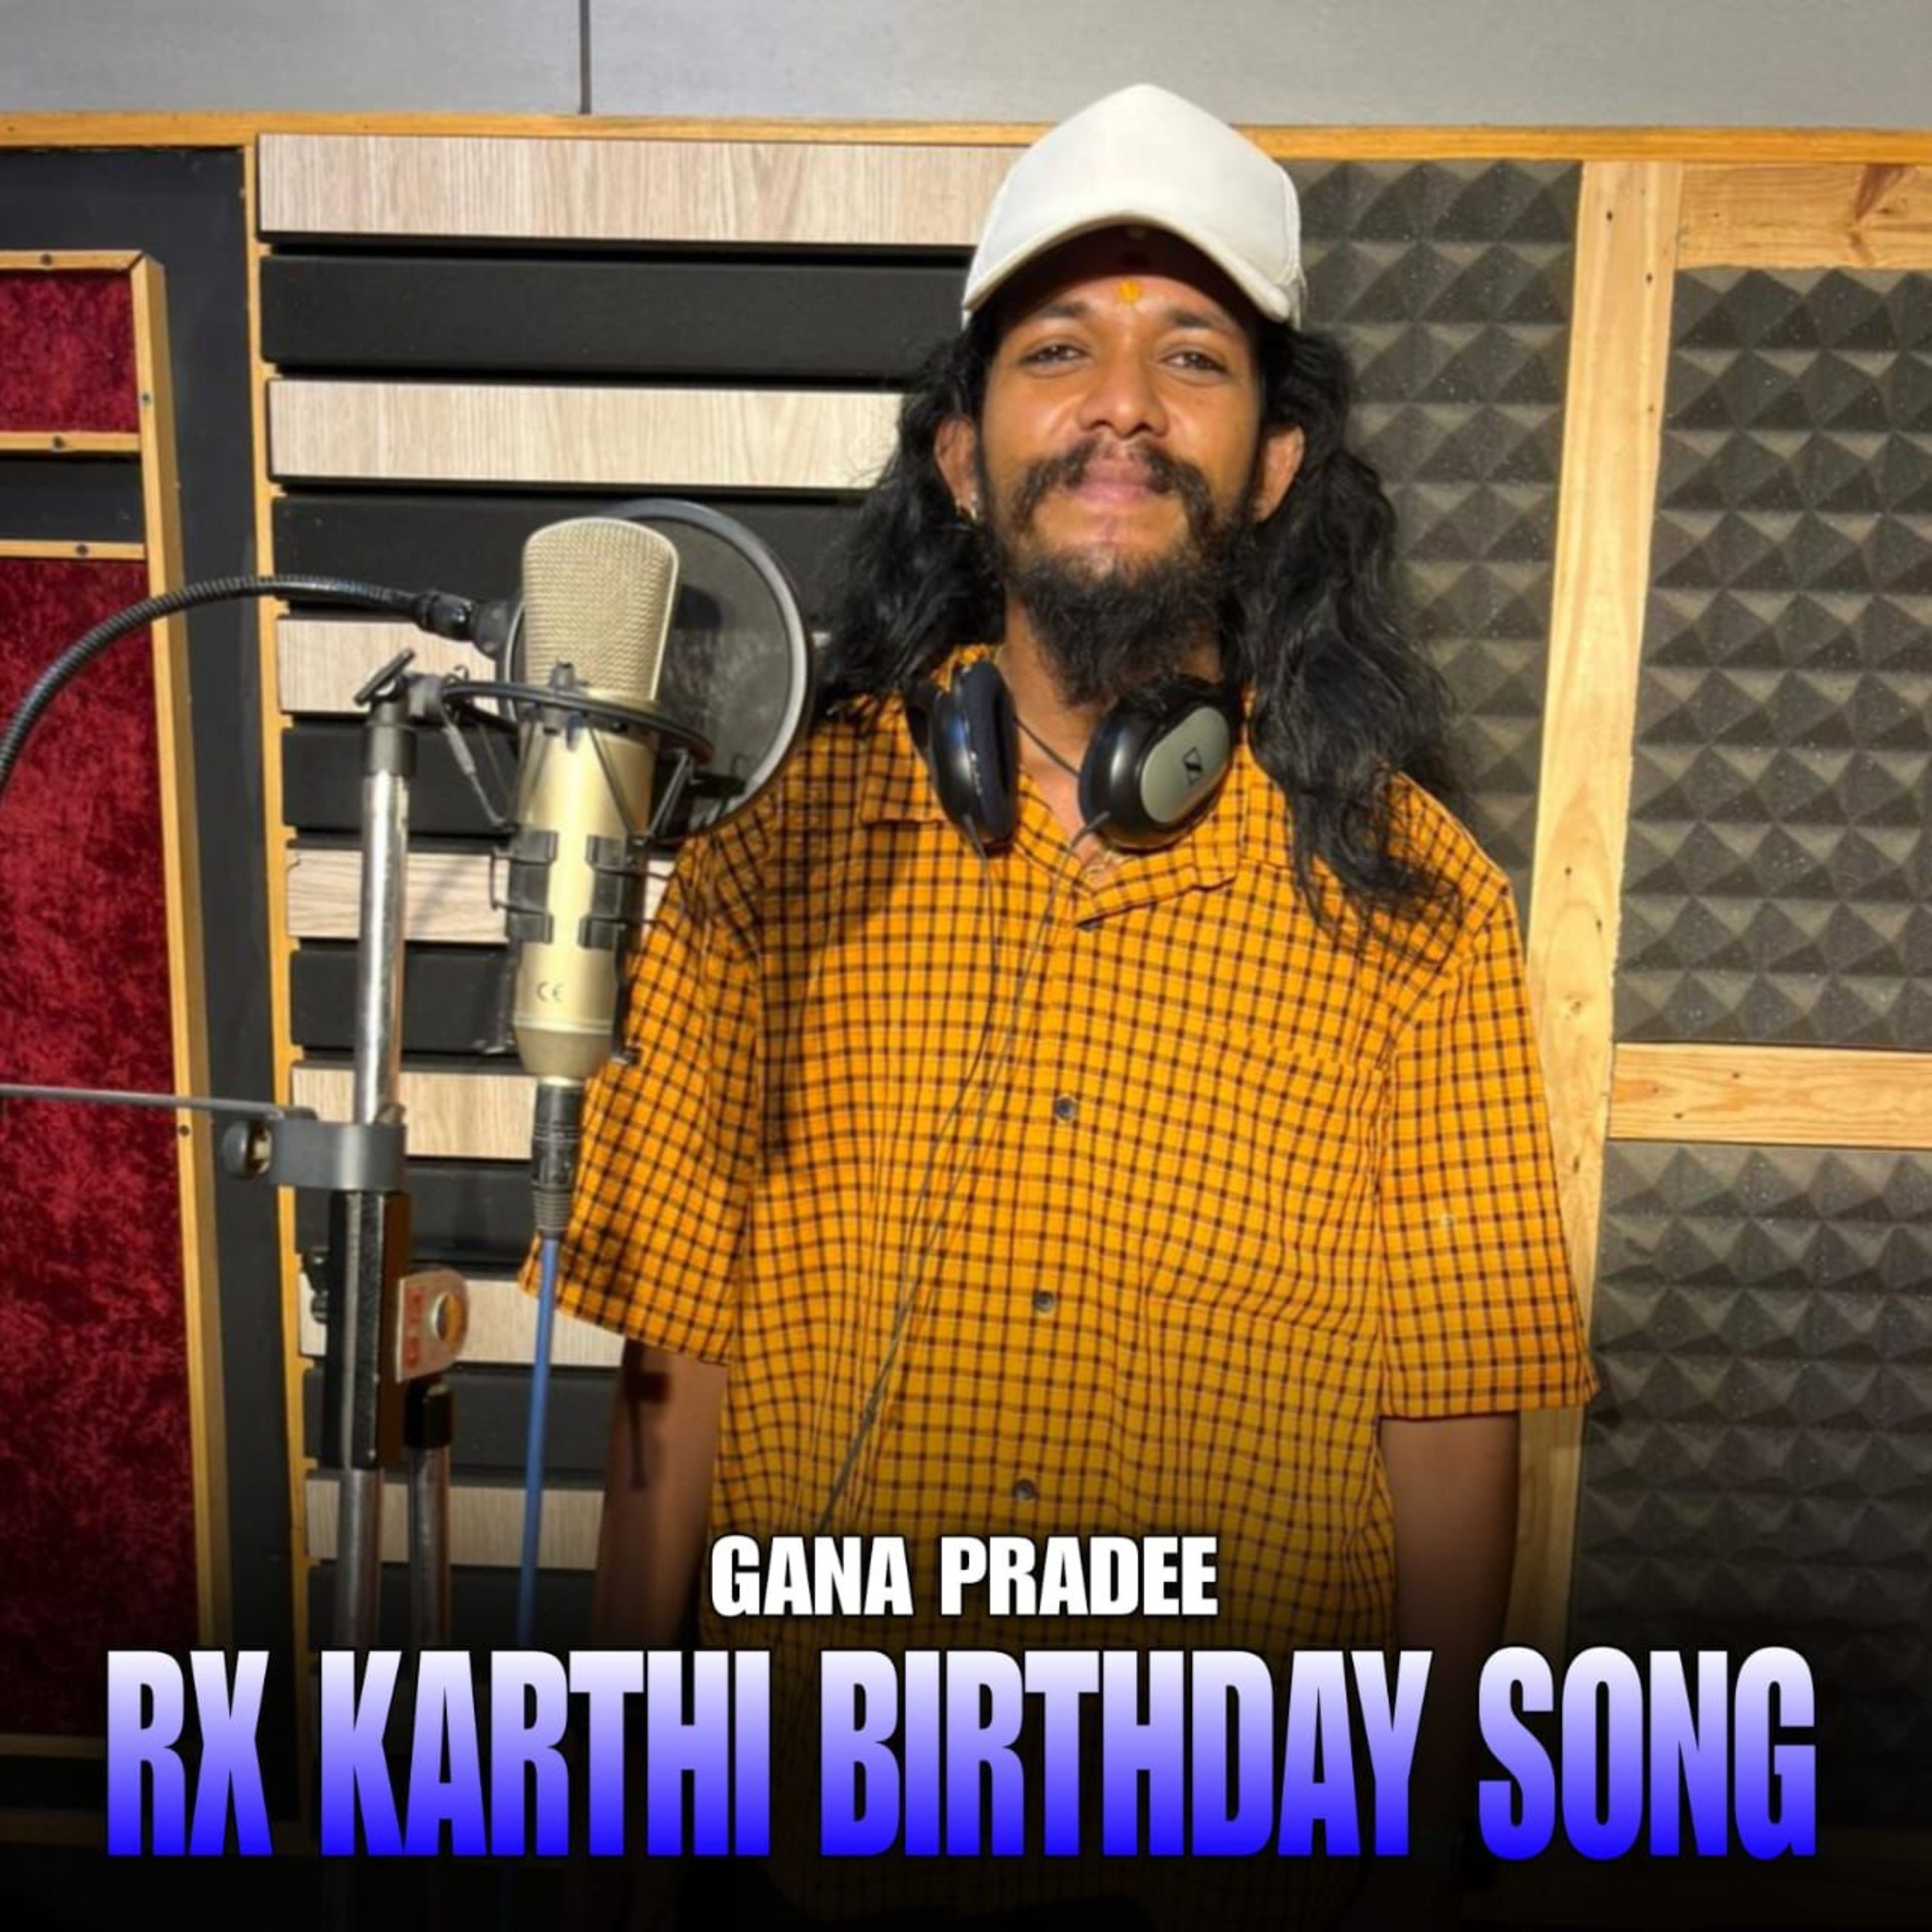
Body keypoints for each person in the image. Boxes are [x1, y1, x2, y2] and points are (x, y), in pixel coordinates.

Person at [539, 82, 1596, 1931]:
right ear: (961, 453)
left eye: (1191, 354)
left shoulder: (1420, 904)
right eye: (1056, 350)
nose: (1122, 403)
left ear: (1275, 461)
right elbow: (669, 1372)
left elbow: (1454, 1415)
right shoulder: (768, 863)